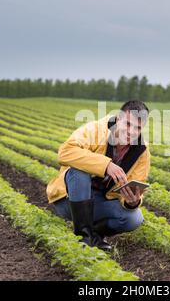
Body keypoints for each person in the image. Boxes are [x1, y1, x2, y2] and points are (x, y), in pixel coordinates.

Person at [46, 100, 151, 250]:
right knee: (79, 171)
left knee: (134, 218)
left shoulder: (141, 152)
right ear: (119, 118)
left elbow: (136, 185)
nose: (131, 131)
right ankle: (84, 236)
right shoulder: (95, 130)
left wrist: (132, 202)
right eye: (128, 124)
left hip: (99, 204)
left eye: (137, 128)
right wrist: (106, 165)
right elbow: (65, 152)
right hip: (69, 201)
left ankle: (95, 235)